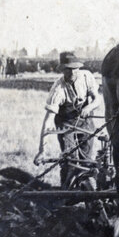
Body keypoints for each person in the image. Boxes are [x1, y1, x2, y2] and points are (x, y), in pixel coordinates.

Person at [35, 51, 99, 187]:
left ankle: (87, 191)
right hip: (65, 123)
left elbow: (97, 99)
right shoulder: (58, 89)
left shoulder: (87, 77)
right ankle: (66, 192)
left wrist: (89, 107)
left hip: (85, 120)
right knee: (70, 159)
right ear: (63, 70)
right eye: (68, 70)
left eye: (75, 69)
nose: (72, 73)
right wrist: (42, 150)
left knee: (87, 161)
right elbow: (48, 121)